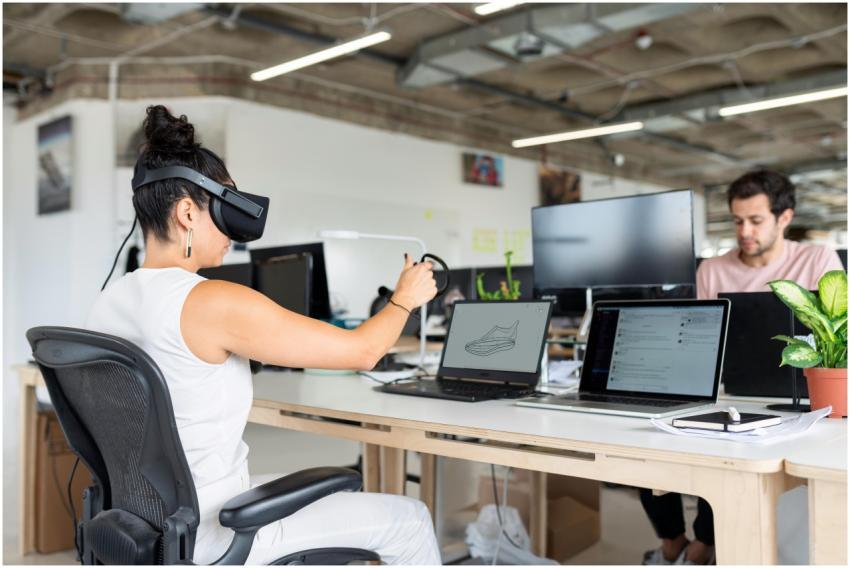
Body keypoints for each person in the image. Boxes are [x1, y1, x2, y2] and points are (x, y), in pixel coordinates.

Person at [86, 106, 442, 565]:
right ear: (188, 213)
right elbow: (366, 350)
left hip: (148, 523)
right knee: (409, 519)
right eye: (223, 206)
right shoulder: (212, 301)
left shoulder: (106, 303)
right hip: (215, 530)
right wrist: (404, 299)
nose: (233, 232)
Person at [640, 169, 843, 565]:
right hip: (727, 393)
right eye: (737, 221)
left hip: (798, 398)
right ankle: (676, 544)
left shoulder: (817, 259)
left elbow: (834, 340)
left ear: (784, 218)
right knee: (648, 444)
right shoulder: (712, 270)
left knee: (734, 462)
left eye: (755, 220)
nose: (744, 231)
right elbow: (697, 341)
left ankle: (700, 547)